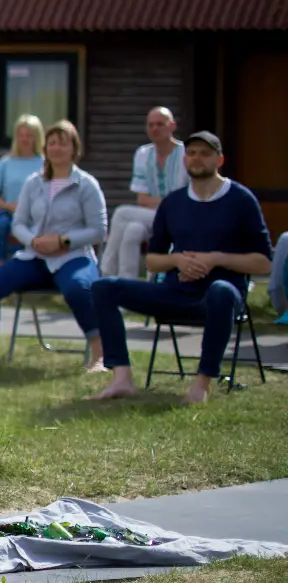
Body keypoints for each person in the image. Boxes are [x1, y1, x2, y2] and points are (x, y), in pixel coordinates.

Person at [87, 131, 274, 406]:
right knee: (103, 287)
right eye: (192, 153)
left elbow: (264, 261)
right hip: (176, 292)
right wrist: (178, 261)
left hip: (220, 297)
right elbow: (153, 260)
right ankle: (122, 378)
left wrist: (215, 259)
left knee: (220, 290)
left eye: (205, 153)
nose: (197, 158)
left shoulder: (241, 200)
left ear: (220, 159)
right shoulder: (173, 203)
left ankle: (202, 384)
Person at [0, 120, 107, 369]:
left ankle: (99, 355)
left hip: (72, 257)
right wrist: (33, 240)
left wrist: (63, 240)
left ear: (74, 149)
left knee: (78, 289)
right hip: (35, 256)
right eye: (52, 143)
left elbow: (99, 231)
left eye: (63, 143)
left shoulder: (86, 184)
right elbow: (18, 222)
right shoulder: (34, 182)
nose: (56, 148)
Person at [99, 106, 185, 279]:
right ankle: (126, 288)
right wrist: (167, 201)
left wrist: (166, 203)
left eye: (160, 124)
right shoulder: (143, 154)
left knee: (122, 213)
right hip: (151, 217)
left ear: (172, 126)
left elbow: (181, 203)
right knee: (132, 230)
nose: (155, 128)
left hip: (178, 218)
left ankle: (105, 269)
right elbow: (142, 199)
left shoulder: (185, 154)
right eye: (151, 124)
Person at [0, 115, 46, 267]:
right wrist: (8, 206)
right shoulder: (4, 163)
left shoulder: (45, 163)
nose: (24, 139)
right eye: (21, 135)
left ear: (37, 137)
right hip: (10, 212)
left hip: (38, 214)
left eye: (29, 136)